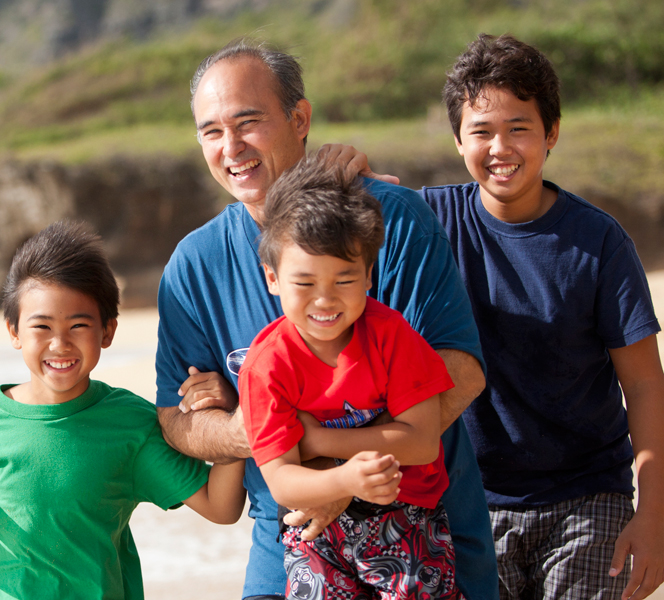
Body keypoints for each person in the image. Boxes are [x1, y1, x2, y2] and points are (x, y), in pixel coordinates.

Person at [154, 40, 498, 600]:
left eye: (248, 122)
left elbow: (460, 371)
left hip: (423, 540)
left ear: (300, 118)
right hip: (291, 543)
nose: (231, 147)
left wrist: (341, 478)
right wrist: (247, 428)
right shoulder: (195, 264)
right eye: (211, 131)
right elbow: (175, 417)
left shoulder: (393, 220)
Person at [0, 221, 247, 600]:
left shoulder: (129, 421)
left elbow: (221, 507)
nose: (60, 343)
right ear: (14, 331)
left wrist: (233, 422)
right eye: (42, 326)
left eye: (78, 324)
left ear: (108, 331)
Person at [421, 34, 664, 600]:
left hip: (587, 497)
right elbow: (329, 251)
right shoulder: (428, 222)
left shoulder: (598, 241)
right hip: (467, 499)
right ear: (458, 140)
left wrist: (652, 514)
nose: (499, 146)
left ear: (551, 133)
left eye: (519, 128)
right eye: (480, 131)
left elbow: (645, 382)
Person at [241, 154, 460, 598]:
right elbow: (283, 480)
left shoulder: (390, 335)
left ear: (368, 276)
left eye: (344, 280)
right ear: (272, 278)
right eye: (304, 283)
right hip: (316, 535)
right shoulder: (265, 365)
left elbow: (421, 441)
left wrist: (320, 442)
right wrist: (344, 481)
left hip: (408, 522)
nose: (324, 300)